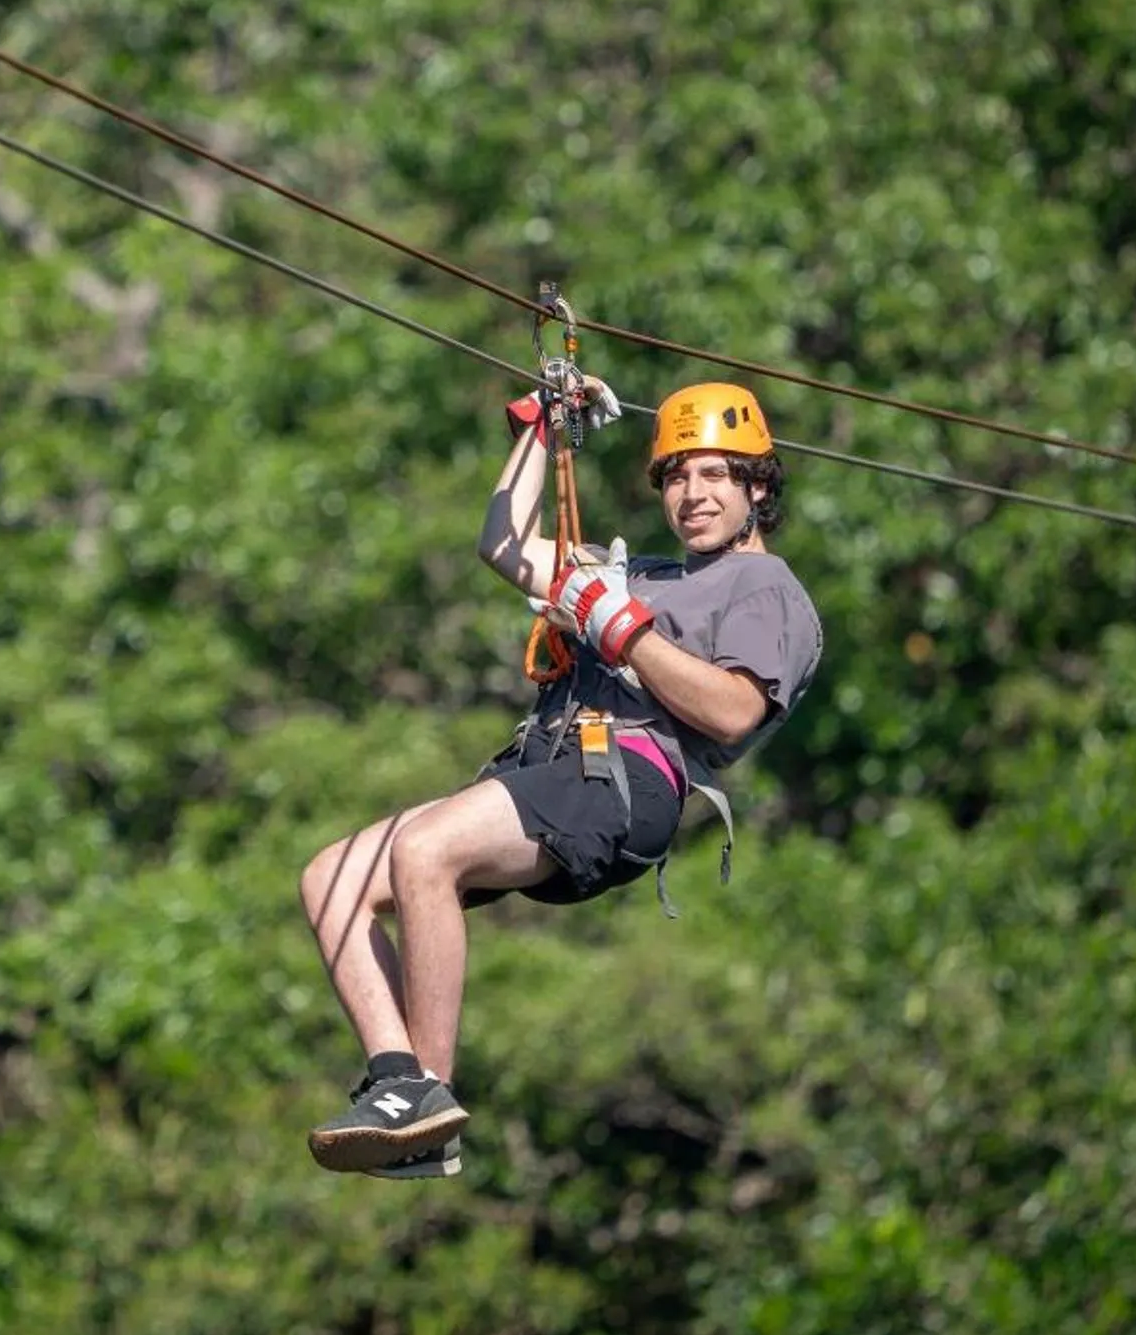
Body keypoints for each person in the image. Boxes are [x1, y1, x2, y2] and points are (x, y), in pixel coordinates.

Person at [297, 380, 824, 1180]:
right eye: (678, 477)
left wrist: (620, 627)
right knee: (331, 879)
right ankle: (399, 1082)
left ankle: (430, 1096)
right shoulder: (641, 573)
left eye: (715, 474)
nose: (692, 494)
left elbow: (732, 712)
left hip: (626, 780)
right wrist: (545, 428)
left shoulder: (765, 589)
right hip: (551, 765)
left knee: (425, 852)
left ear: (758, 485)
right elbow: (505, 544)